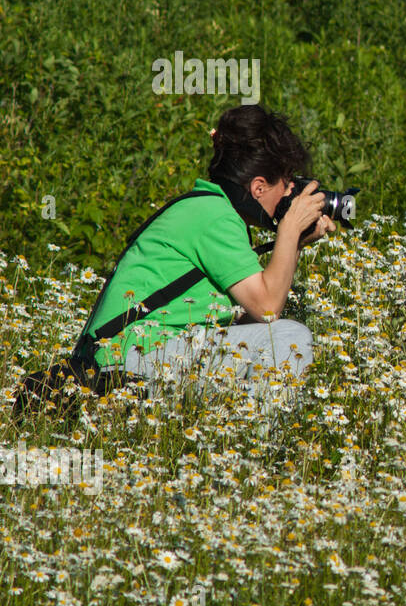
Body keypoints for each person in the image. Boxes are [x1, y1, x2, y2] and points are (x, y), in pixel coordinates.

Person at [90, 105, 336, 404]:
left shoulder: (208, 208)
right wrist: (289, 229)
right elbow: (268, 309)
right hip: (128, 361)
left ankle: (233, 426)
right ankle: (258, 432)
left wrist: (294, 241)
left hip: (130, 357)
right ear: (258, 187)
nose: (289, 194)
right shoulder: (215, 216)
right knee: (288, 337)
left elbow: (251, 317)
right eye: (286, 183)